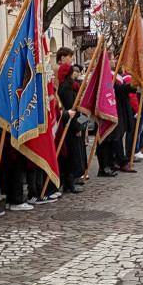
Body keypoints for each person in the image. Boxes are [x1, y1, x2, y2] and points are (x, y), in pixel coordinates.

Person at [55, 63, 87, 193]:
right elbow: (70, 110)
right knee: (70, 157)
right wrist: (76, 128)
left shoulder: (69, 87)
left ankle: (70, 181)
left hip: (74, 124)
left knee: (74, 156)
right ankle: (69, 183)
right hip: (69, 128)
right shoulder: (66, 89)